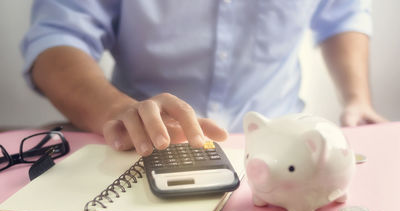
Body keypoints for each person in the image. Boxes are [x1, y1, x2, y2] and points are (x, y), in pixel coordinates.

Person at [22, 0, 387, 156]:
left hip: (282, 141)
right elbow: (58, 37)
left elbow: (343, 12)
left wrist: (357, 99)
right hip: (141, 147)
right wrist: (119, 111)